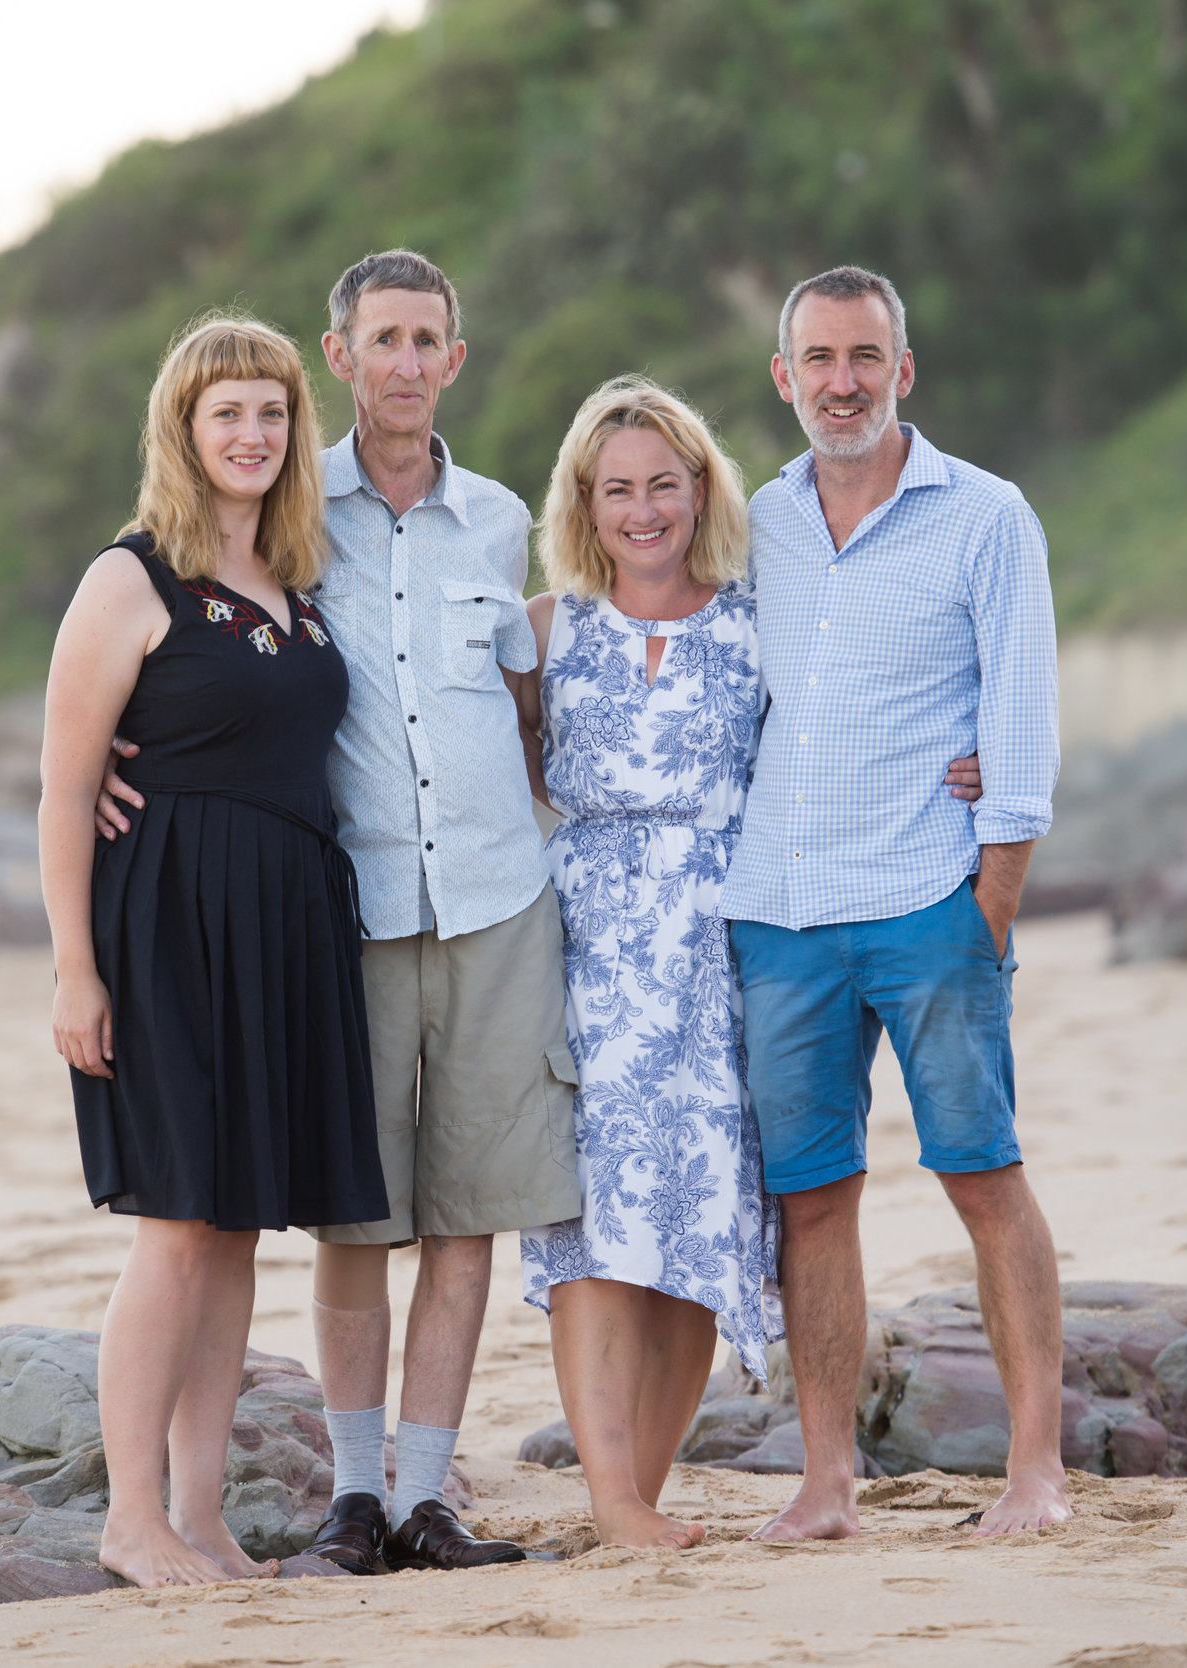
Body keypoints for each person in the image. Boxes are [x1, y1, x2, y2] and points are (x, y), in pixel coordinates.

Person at [98, 251, 573, 1575]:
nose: (406, 362)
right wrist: (122, 774)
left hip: (495, 898)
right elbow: (192, 650)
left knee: (468, 1213)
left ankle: (426, 1500)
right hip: (343, 910)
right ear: (342, 356)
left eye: (428, 340)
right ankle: (351, 1499)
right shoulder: (294, 513)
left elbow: (533, 705)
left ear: (454, 360)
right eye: (384, 339)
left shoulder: (499, 520)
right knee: (352, 1217)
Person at [38, 313, 388, 1589]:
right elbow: (63, 788)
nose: (252, 433)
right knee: (179, 1225)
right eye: (226, 412)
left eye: (272, 411)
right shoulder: (129, 580)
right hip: (169, 931)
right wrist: (75, 971)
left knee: (237, 1228)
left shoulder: (296, 582)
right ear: (182, 431)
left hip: (284, 929)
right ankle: (128, 1516)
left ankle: (200, 1515)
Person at [723, 265, 1073, 1541]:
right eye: (818, 359)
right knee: (811, 1199)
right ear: (783, 377)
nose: (842, 382)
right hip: (779, 911)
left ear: (902, 371)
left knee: (982, 1176)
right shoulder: (751, 522)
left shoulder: (986, 517)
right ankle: (827, 1482)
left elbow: (1020, 727)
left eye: (864, 357)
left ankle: (1035, 1473)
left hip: (931, 901)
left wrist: (988, 908)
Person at [509, 378, 775, 1551]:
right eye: (617, 489)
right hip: (588, 955)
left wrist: (962, 767)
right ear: (583, 502)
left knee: (696, 1232)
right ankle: (611, 1500)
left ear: (701, 489)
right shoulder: (545, 629)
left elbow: (847, 733)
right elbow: (467, 753)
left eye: (664, 483)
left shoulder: (757, 622)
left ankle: (641, 1500)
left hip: (724, 951)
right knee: (595, 1230)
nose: (643, 509)